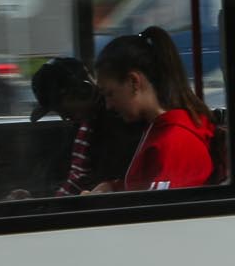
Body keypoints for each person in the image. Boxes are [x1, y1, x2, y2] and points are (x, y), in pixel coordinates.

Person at [92, 26, 215, 191]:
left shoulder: (176, 142)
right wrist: (113, 189)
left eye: (110, 94)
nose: (108, 105)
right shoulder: (159, 130)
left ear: (134, 82)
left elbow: (158, 209)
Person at [16, 56, 144, 199]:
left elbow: (102, 187)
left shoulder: (119, 126)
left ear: (83, 91)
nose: (64, 117)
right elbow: (62, 176)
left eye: (63, 109)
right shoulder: (82, 126)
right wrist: (36, 199)